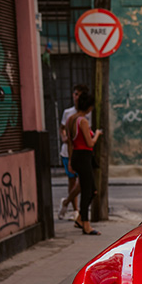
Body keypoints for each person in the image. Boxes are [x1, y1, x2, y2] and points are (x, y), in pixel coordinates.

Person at [65, 92, 102, 235]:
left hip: (76, 155)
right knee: (88, 191)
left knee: (91, 189)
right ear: (89, 107)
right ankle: (86, 224)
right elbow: (89, 142)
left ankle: (81, 219)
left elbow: (69, 142)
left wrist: (70, 161)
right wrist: (97, 134)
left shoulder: (70, 120)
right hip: (84, 156)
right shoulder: (83, 121)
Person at [58, 84, 89, 219]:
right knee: (72, 180)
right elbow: (62, 128)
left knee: (82, 182)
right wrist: (64, 137)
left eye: (79, 95)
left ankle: (67, 202)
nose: (76, 97)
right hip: (69, 151)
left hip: (82, 151)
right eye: (75, 94)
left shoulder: (87, 114)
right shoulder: (68, 113)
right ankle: (75, 210)